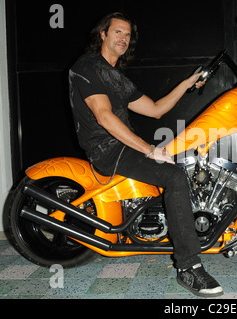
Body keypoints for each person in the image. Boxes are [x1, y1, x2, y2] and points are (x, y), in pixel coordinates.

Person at [68, 12, 223, 298]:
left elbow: (155, 109)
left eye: (127, 35)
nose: (123, 39)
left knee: (183, 163)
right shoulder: (88, 66)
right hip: (107, 149)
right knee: (174, 176)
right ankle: (188, 267)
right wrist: (149, 150)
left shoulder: (116, 77)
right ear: (102, 34)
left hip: (121, 146)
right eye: (117, 32)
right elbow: (103, 117)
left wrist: (187, 83)